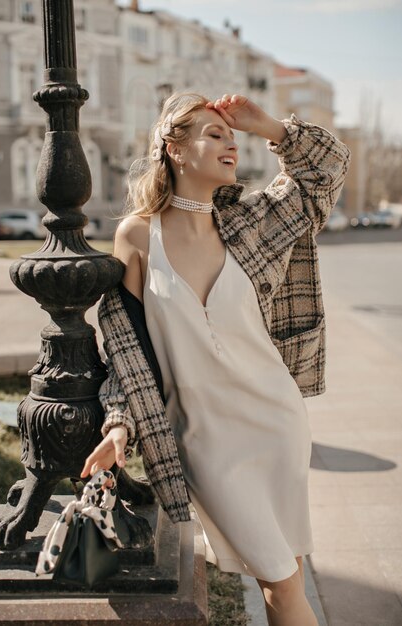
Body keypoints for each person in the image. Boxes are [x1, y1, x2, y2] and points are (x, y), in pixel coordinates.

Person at [81, 92, 351, 625]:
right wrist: (119, 425)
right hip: (204, 440)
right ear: (174, 149)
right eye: (214, 134)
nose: (230, 144)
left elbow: (327, 169)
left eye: (231, 136)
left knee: (283, 582)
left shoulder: (251, 225)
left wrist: (267, 125)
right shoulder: (137, 236)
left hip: (275, 422)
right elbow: (125, 346)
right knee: (280, 579)